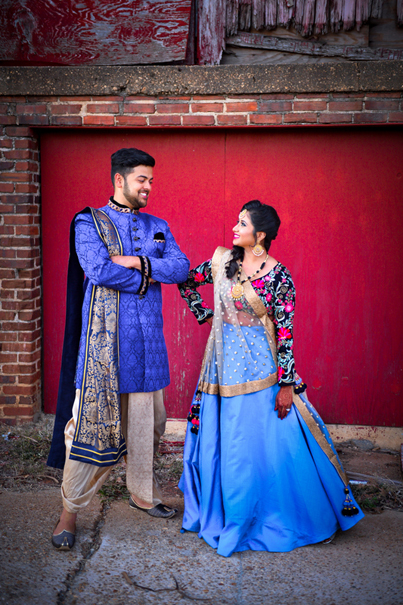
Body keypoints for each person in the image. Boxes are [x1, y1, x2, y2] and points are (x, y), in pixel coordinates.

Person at [177, 200, 364, 557]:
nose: (234, 227)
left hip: (261, 370)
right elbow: (185, 280)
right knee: (226, 444)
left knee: (262, 446)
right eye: (236, 220)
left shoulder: (280, 276)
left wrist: (286, 384)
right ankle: (227, 511)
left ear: (260, 235)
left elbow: (286, 333)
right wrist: (204, 314)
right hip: (221, 368)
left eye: (242, 223)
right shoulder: (222, 262)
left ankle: (283, 514)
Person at [47, 147, 190, 550]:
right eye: (142, 179)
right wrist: (148, 274)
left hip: (149, 352)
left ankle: (142, 493)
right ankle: (69, 514)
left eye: (151, 180)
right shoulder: (88, 222)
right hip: (104, 353)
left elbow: (180, 267)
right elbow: (98, 270)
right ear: (119, 180)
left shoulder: (157, 224)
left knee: (150, 428)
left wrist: (137, 262)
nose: (148, 187)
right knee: (87, 433)